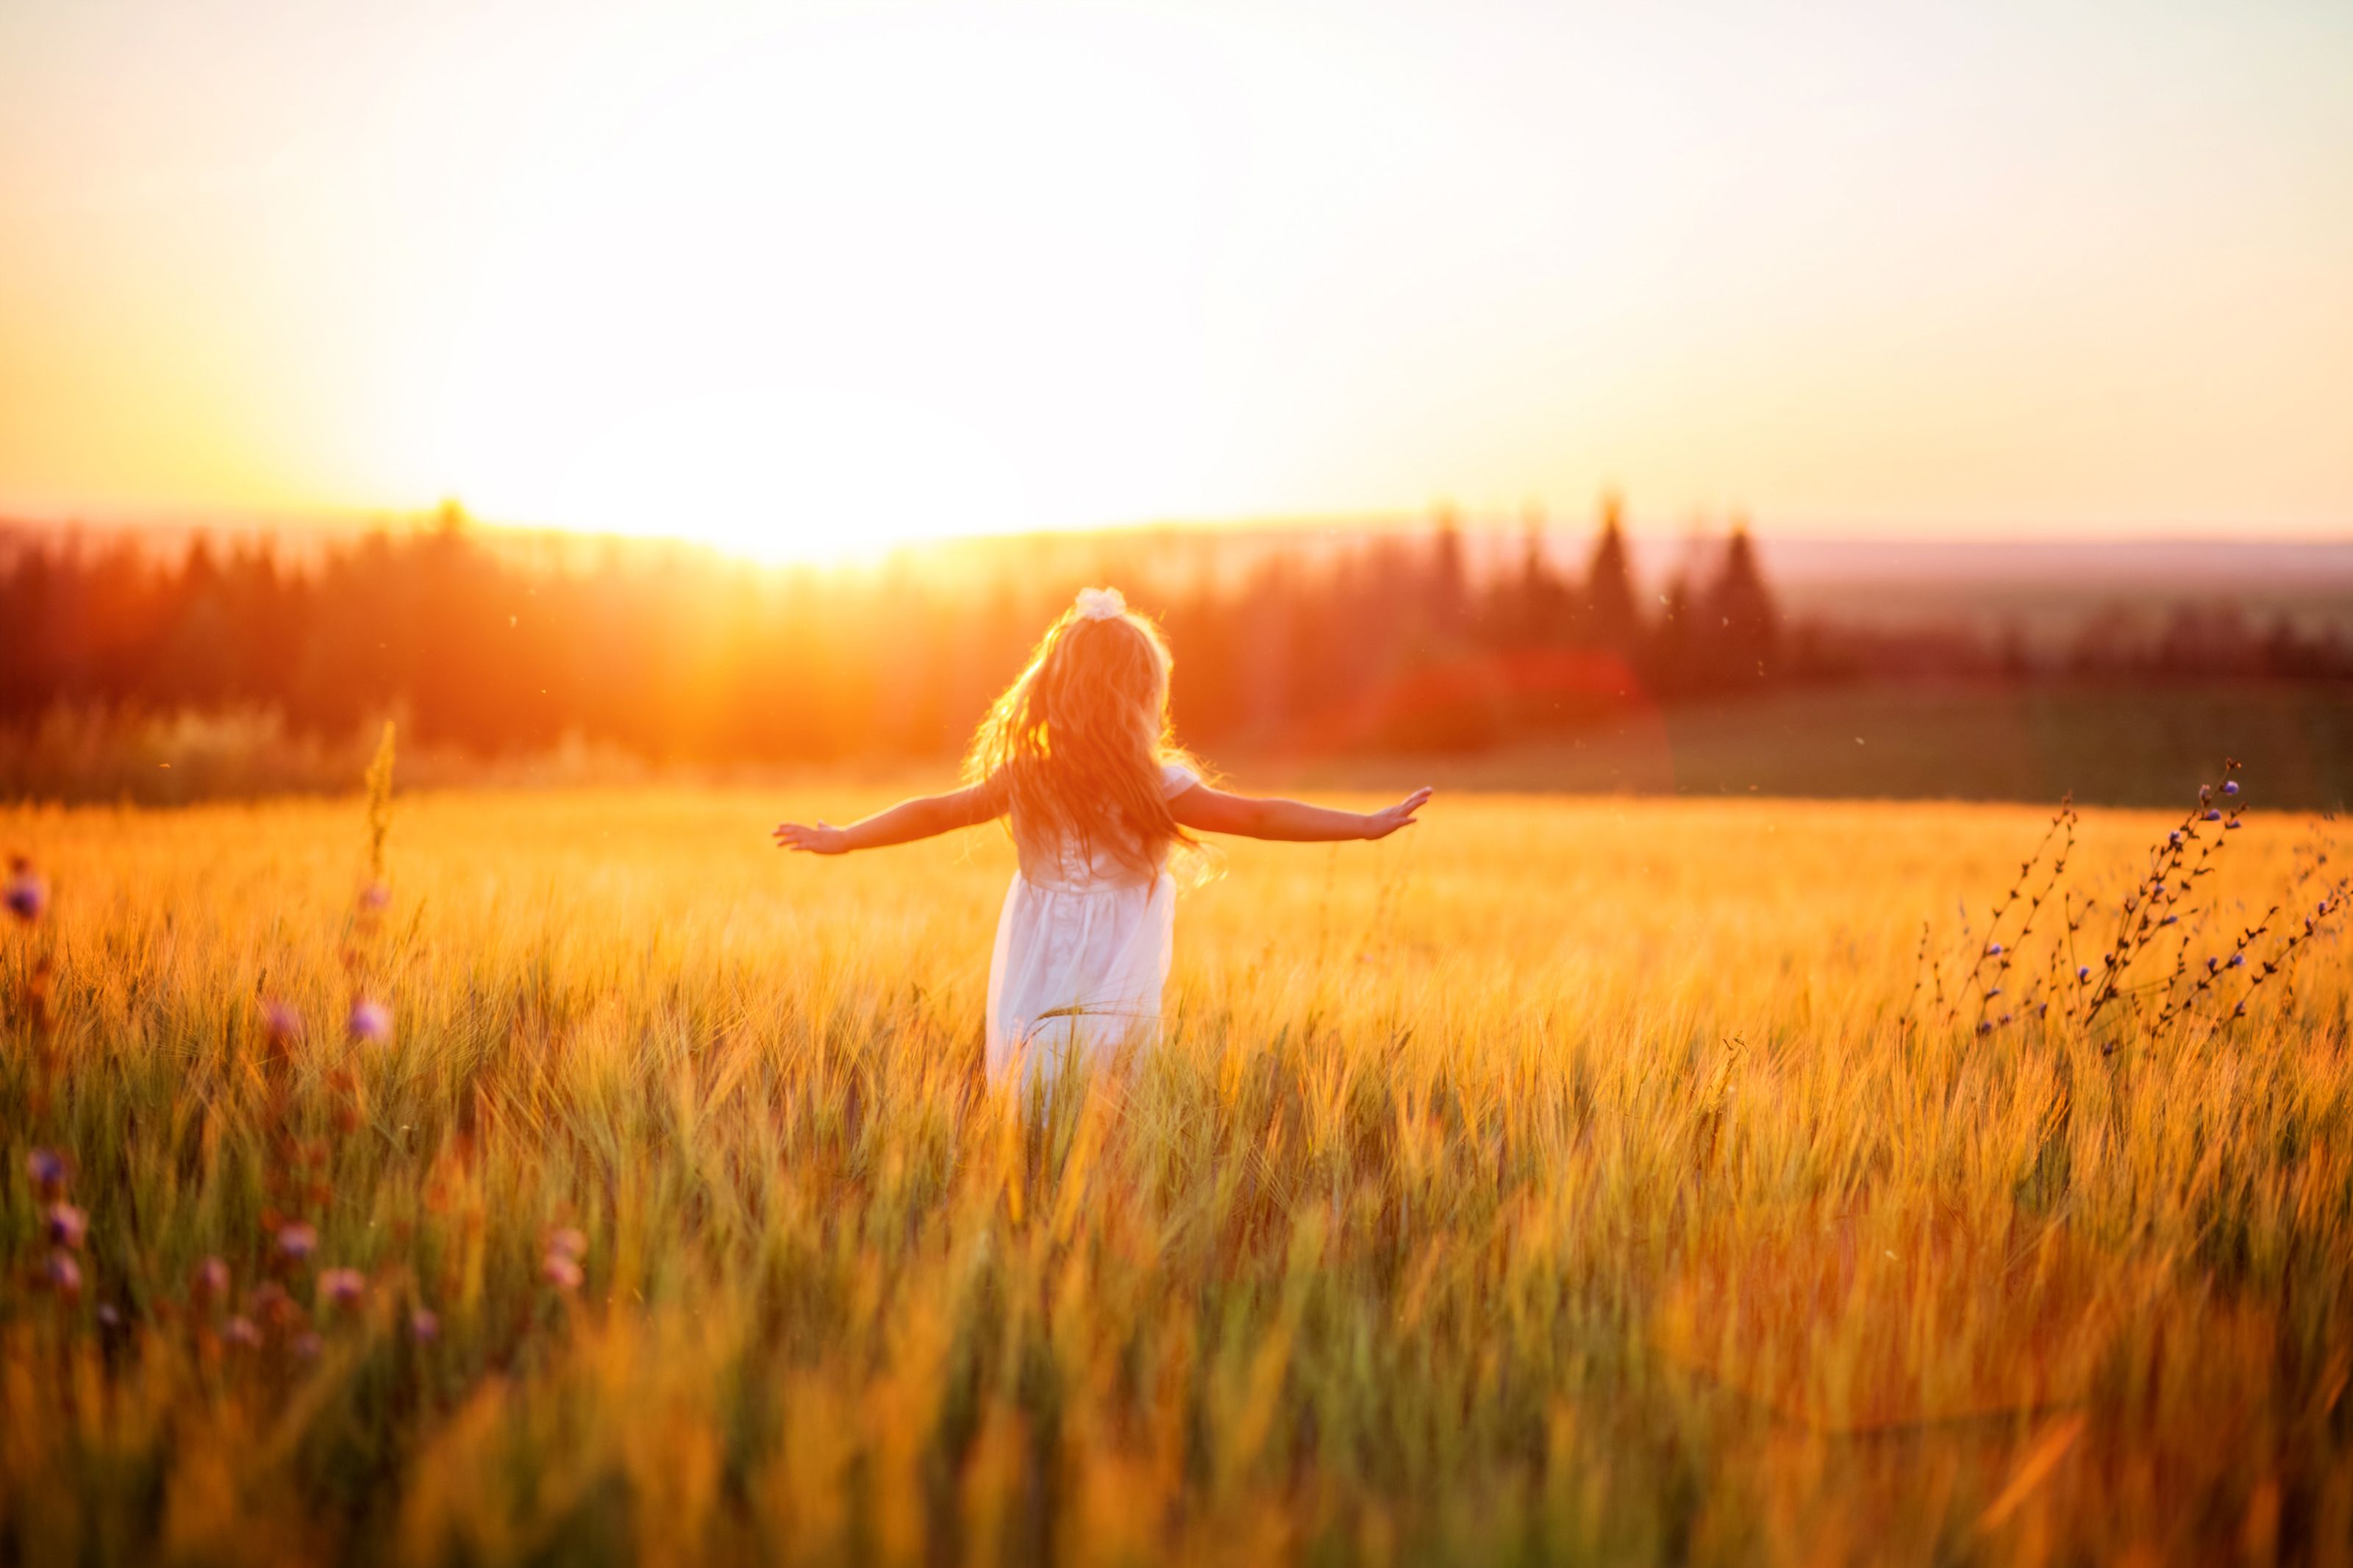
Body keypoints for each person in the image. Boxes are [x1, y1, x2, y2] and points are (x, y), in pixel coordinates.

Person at [775, 586, 1431, 1090]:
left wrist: (848, 838)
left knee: (1031, 1076)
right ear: (1143, 695)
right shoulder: (1155, 784)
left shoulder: (1029, 775)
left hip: (1035, 951)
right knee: (1107, 1088)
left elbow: (935, 812)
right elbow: (1261, 817)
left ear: (1056, 688)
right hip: (1118, 963)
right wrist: (1364, 825)